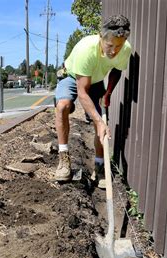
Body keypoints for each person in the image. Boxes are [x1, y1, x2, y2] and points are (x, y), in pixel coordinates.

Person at [54, 15, 132, 188]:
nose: (113, 51)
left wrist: (108, 93)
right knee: (62, 106)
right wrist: (97, 118)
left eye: (118, 46)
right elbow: (82, 92)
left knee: (100, 123)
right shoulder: (87, 49)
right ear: (101, 37)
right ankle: (64, 159)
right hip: (73, 76)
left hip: (96, 81)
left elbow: (116, 71)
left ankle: (99, 165)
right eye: (110, 45)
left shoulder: (125, 49)